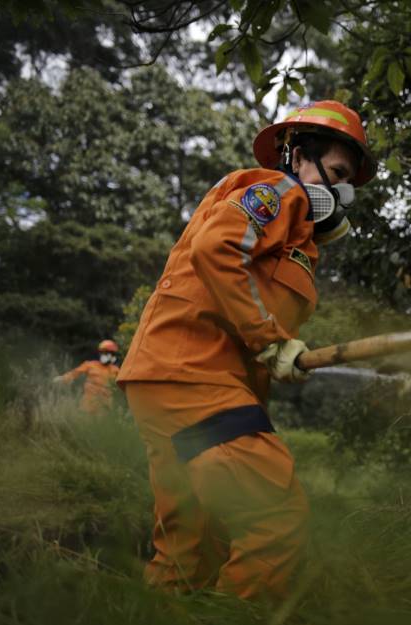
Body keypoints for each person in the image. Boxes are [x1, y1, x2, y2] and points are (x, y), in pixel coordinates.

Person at [117, 101, 377, 600]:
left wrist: (277, 350)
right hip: (193, 377)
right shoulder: (279, 192)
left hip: (168, 382)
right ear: (298, 156)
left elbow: (248, 298)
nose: (343, 192)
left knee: (191, 547)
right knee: (275, 519)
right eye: (338, 173)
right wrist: (273, 341)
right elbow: (217, 250)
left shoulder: (295, 234)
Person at [54, 339, 122, 415]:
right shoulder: (90, 365)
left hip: (105, 407)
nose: (105, 355)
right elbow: (75, 373)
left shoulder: (115, 370)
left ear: (113, 355)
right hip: (88, 404)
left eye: (108, 353)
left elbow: (121, 385)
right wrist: (62, 379)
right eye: (103, 352)